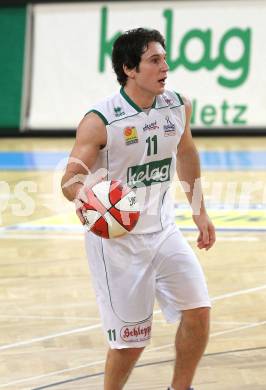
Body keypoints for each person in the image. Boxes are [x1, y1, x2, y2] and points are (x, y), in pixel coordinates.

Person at [61, 27, 215, 390]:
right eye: (154, 60)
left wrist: (199, 211)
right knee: (130, 344)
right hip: (117, 242)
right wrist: (89, 196)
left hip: (163, 231)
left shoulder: (177, 106)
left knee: (198, 312)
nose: (165, 66)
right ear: (130, 69)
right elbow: (69, 180)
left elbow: (186, 153)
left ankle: (181, 388)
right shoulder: (101, 120)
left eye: (164, 58)